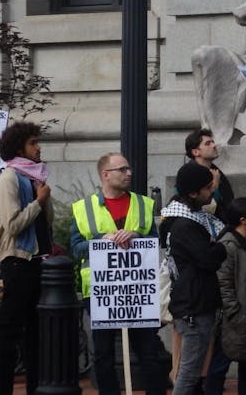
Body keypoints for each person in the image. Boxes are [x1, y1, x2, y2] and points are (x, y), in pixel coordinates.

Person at [69, 152, 168, 395]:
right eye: (122, 169)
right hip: (100, 291)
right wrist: (101, 240)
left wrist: (135, 235)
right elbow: (76, 248)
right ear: (106, 175)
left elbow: (155, 242)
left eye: (128, 169)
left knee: (148, 351)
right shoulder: (84, 208)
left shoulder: (143, 204)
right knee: (103, 354)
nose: (129, 173)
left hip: (137, 289)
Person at [0, 120, 53, 395]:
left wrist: (43, 200)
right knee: (9, 332)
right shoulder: (9, 178)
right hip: (17, 261)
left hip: (38, 260)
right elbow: (13, 225)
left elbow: (46, 223)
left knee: (35, 334)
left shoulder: (35, 177)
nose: (38, 148)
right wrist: (38, 201)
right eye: (33, 143)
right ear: (19, 148)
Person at [160, 162, 227, 395]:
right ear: (192, 193)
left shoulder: (189, 219)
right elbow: (209, 258)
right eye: (208, 188)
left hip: (193, 302)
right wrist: (219, 249)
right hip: (193, 306)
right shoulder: (185, 226)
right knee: (188, 374)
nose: (212, 191)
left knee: (193, 371)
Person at [218, 197, 246, 395]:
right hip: (233, 320)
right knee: (219, 366)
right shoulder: (229, 246)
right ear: (244, 219)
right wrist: (236, 313)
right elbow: (223, 284)